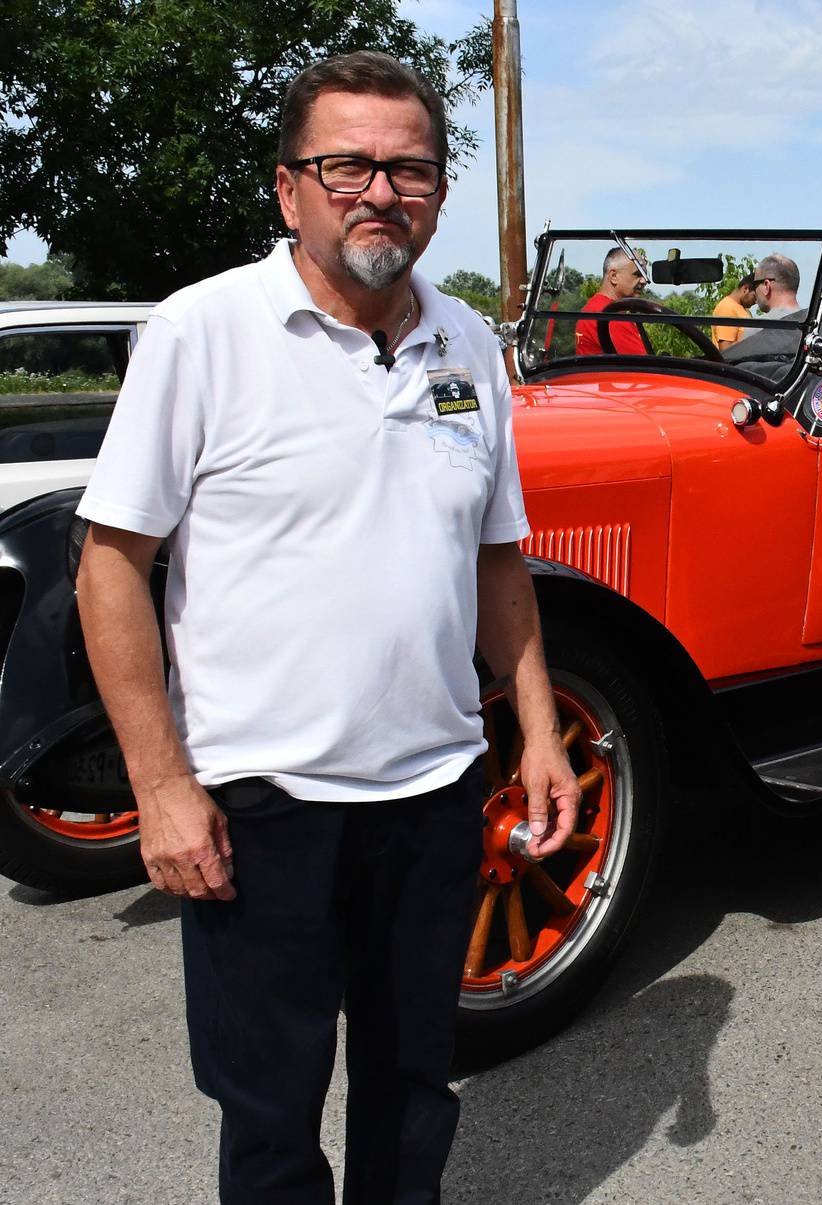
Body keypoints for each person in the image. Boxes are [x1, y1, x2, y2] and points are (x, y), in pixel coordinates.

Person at [72, 50, 579, 1204]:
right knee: (269, 1112)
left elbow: (497, 558)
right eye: (346, 163)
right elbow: (113, 570)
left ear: (440, 192)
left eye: (409, 169)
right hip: (264, 806)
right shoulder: (203, 332)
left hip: (434, 792)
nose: (379, 192)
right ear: (289, 185)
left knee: (413, 1091)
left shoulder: (470, 346)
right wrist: (161, 787)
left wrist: (539, 731)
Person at [575, 247, 651, 356]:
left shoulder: (594, 306)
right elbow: (645, 368)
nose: (644, 281)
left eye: (644, 275)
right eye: (638, 274)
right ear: (613, 276)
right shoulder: (613, 317)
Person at [710, 275, 755, 351]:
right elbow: (725, 349)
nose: (755, 302)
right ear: (745, 289)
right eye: (755, 297)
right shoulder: (727, 308)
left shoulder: (744, 309)